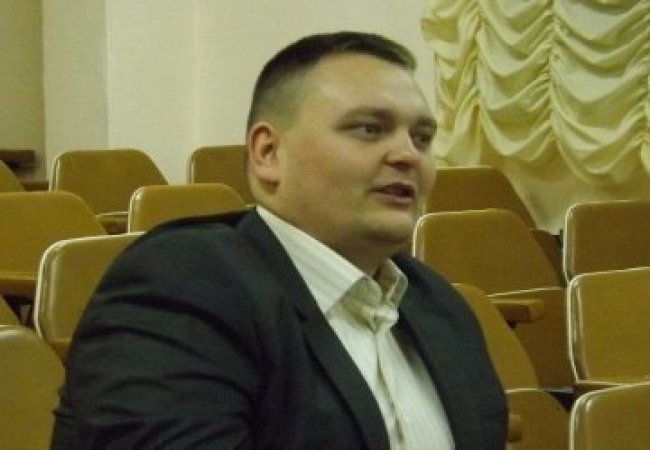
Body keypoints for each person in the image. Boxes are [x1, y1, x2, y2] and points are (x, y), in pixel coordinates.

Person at [52, 31, 507, 449]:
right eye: (369, 129)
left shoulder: (438, 305)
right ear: (268, 153)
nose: (408, 154)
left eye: (422, 138)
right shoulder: (184, 286)